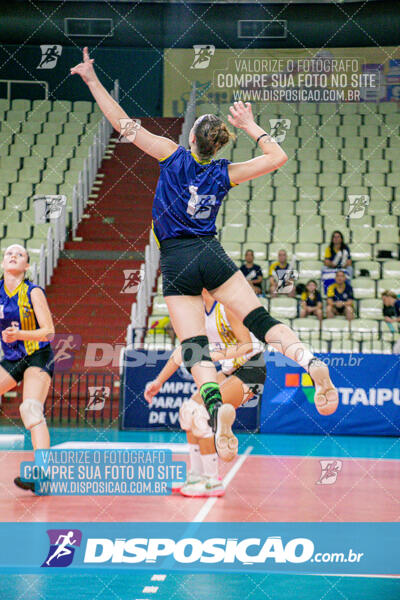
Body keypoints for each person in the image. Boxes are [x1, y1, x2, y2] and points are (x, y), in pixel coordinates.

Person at [72, 48, 339, 462]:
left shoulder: (171, 154)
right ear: (214, 146)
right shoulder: (224, 171)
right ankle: (310, 360)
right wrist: (250, 124)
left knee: (194, 346)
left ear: (191, 139)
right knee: (262, 321)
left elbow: (121, 124)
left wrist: (92, 80)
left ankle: (217, 412)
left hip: (177, 260)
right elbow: (278, 158)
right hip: (211, 251)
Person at [144, 289, 267, 497]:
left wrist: (213, 356)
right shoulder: (197, 312)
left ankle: (212, 481)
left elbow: (246, 345)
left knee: (202, 413)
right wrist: (158, 381)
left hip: (252, 372)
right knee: (188, 410)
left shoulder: (227, 307)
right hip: (228, 369)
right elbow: (183, 350)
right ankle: (196, 475)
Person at [0, 244, 55, 492]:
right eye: (8, 253)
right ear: (3, 263)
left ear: (26, 266)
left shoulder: (33, 292)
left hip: (37, 355)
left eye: (19, 254)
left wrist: (19, 334)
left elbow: (49, 332)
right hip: (12, 358)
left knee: (30, 408)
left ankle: (43, 475)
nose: (13, 256)